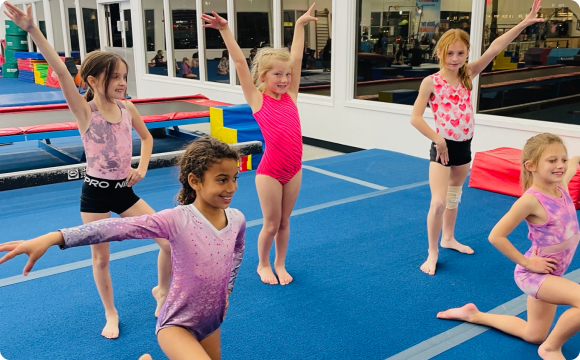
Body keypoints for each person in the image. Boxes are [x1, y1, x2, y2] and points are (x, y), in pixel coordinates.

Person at [3, 2, 172, 339]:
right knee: (101, 258)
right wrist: (32, 30)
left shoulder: (128, 107)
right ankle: (110, 312)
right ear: (93, 80)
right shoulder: (85, 111)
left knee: (167, 240)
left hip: (124, 190)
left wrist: (141, 166)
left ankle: (162, 290)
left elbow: (148, 137)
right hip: (95, 192)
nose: (123, 83)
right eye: (116, 78)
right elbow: (63, 73)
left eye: (125, 77)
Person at [0, 136, 247, 360]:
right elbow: (116, 229)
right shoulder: (177, 219)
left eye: (234, 178)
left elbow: (236, 252)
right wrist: (56, 237)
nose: (232, 188)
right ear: (195, 181)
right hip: (178, 324)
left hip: (211, 320)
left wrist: (226, 290)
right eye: (222, 180)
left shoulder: (236, 219)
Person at [410, 0, 545, 275]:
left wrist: (524, 23)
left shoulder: (469, 74)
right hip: (443, 148)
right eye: (450, 53)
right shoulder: (431, 82)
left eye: (461, 53)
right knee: (437, 202)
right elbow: (415, 117)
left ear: (466, 54)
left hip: (464, 147)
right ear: (440, 52)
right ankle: (432, 251)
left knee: (453, 198)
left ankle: (448, 238)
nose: (455, 58)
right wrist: (437, 139)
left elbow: (496, 46)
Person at [201, 4, 317, 285]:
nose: (284, 79)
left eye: (287, 75)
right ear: (263, 76)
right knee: (271, 223)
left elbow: (297, 59)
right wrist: (226, 30)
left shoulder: (291, 95)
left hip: (294, 168)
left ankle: (280, 262)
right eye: (277, 74)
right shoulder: (257, 99)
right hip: (270, 172)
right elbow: (240, 63)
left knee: (286, 222)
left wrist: (300, 25)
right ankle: (263, 264)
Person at [437, 133, 580, 360]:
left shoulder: (560, 186)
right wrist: (527, 262)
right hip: (534, 274)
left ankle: (474, 315)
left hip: (553, 270)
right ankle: (551, 349)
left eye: (561, 159)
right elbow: (496, 236)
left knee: (534, 334)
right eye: (552, 161)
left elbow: (574, 162)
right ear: (531, 166)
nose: (560, 165)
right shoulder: (531, 200)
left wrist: (573, 159)